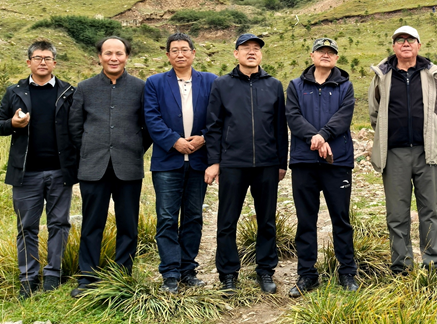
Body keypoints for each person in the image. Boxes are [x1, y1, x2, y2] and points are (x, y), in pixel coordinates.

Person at [204, 34, 288, 294]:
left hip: (266, 163)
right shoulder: (222, 84)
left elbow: (280, 127)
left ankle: (265, 270)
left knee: (267, 221)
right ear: (236, 53)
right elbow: (213, 126)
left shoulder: (274, 85)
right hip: (232, 163)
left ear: (261, 54)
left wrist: (281, 163)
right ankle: (228, 274)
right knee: (227, 221)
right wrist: (214, 161)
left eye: (256, 49)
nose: (251, 52)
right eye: (246, 48)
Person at [68, 36, 151, 298]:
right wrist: (90, 149)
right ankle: (87, 277)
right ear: (99, 57)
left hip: (129, 166)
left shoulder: (140, 87)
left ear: (127, 56)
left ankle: (122, 274)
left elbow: (148, 127)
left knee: (128, 224)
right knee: (92, 223)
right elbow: (75, 127)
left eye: (119, 53)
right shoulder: (85, 88)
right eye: (108, 53)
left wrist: (134, 149)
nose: (113, 58)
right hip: (93, 167)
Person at [0, 40, 77, 299]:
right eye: (37, 58)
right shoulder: (14, 92)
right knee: (26, 228)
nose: (42, 62)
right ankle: (28, 279)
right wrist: (12, 124)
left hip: (60, 172)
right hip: (25, 173)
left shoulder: (69, 92)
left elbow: (78, 127)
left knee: (59, 224)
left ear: (55, 62)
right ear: (28, 62)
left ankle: (53, 275)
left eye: (47, 58)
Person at [368, 26, 437, 276]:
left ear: (418, 45)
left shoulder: (432, 74)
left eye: (410, 39)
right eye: (399, 40)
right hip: (394, 154)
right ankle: (402, 266)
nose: (405, 43)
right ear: (393, 46)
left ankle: (433, 263)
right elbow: (374, 113)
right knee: (397, 213)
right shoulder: (382, 75)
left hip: (426, 152)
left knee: (430, 210)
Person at [144, 33, 217, 293]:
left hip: (199, 161)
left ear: (193, 53)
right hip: (167, 162)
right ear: (167, 55)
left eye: (185, 49)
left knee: (193, 217)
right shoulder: (154, 83)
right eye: (174, 50)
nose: (180, 54)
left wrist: (204, 138)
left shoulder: (210, 81)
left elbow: (218, 117)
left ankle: (188, 270)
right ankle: (170, 273)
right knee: (166, 217)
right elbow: (151, 118)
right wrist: (174, 141)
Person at [286, 37, 357, 297]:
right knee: (306, 220)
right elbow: (293, 116)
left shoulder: (345, 86)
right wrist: (315, 138)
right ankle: (307, 274)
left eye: (330, 52)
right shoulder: (295, 85)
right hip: (304, 161)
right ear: (312, 55)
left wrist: (323, 135)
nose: (325, 55)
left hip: (337, 161)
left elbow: (344, 117)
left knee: (341, 219)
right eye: (321, 51)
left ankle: (347, 272)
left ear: (336, 58)